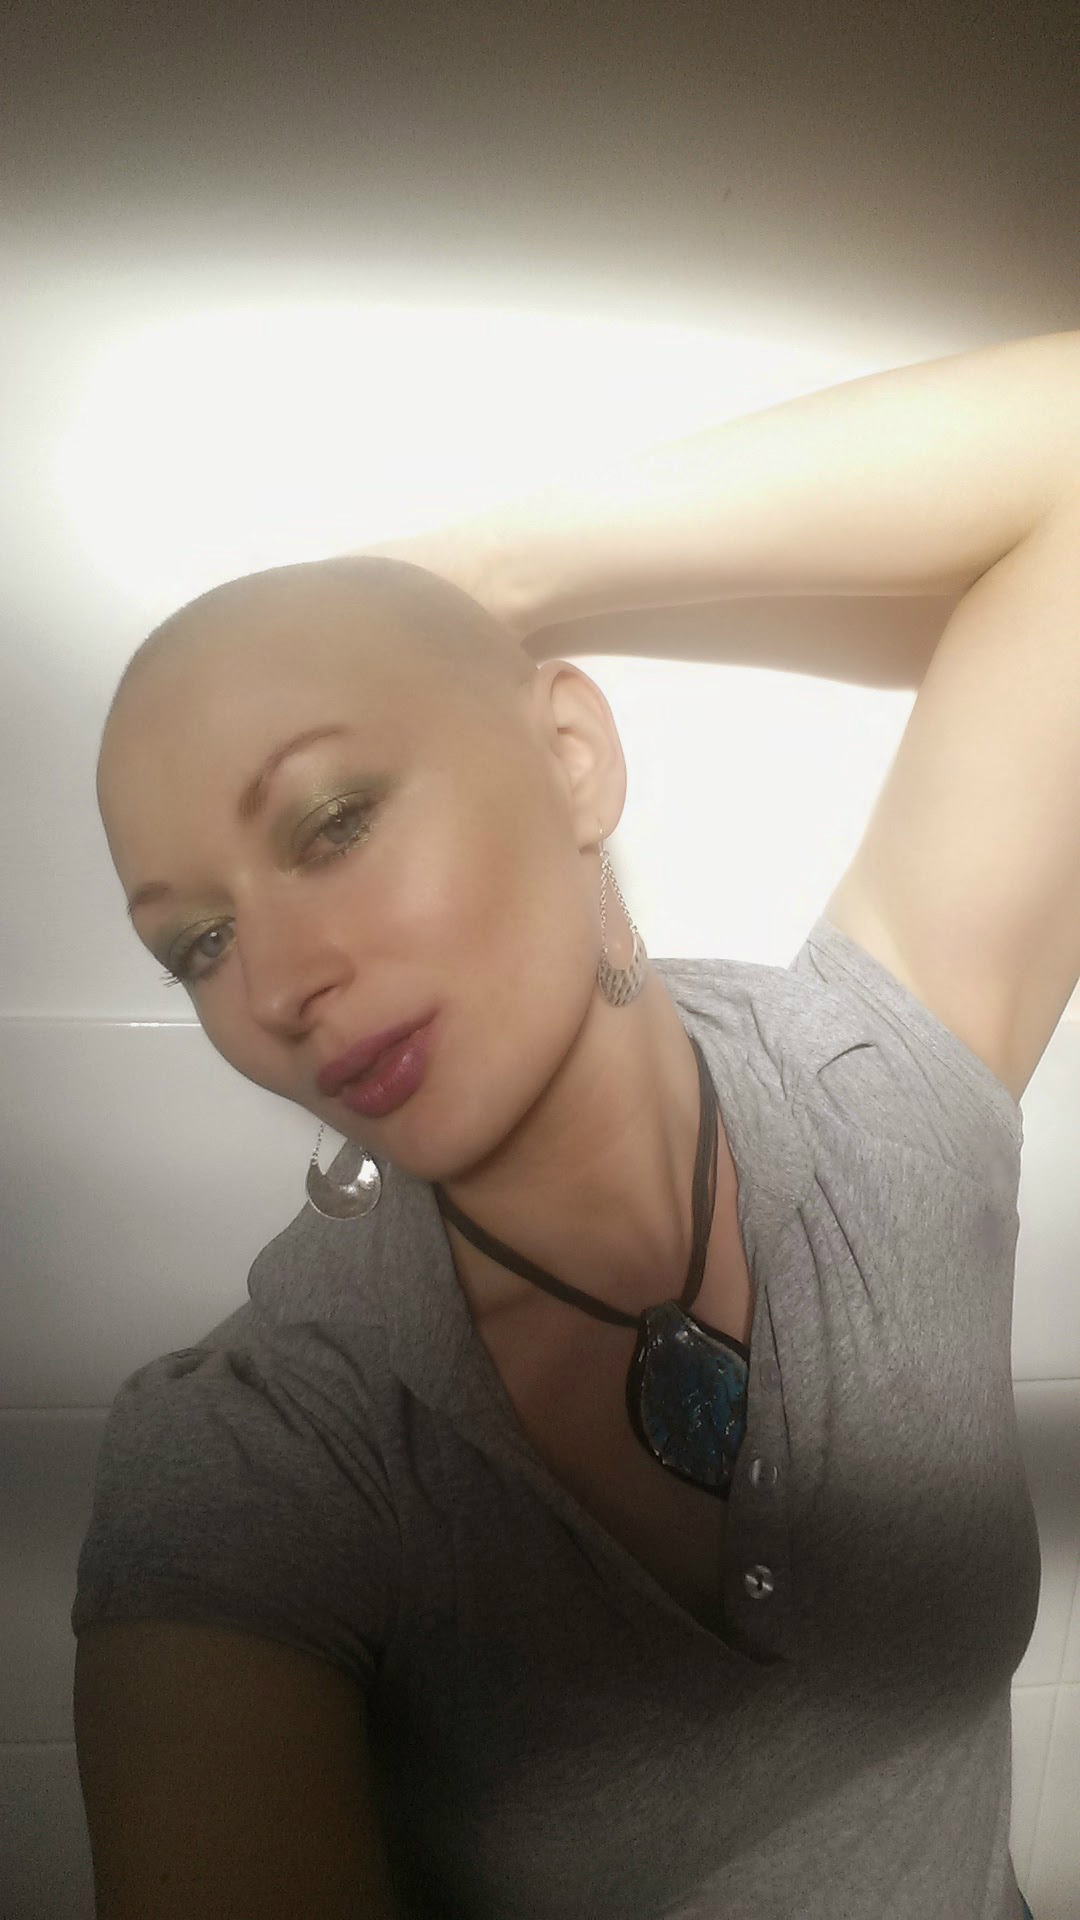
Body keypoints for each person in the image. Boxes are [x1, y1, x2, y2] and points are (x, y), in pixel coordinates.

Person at [73, 333, 1062, 1918]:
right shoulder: (261, 1452)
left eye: (333, 821)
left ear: (569, 757)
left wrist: (480, 576)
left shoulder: (872, 1090)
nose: (276, 986)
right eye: (196, 943)